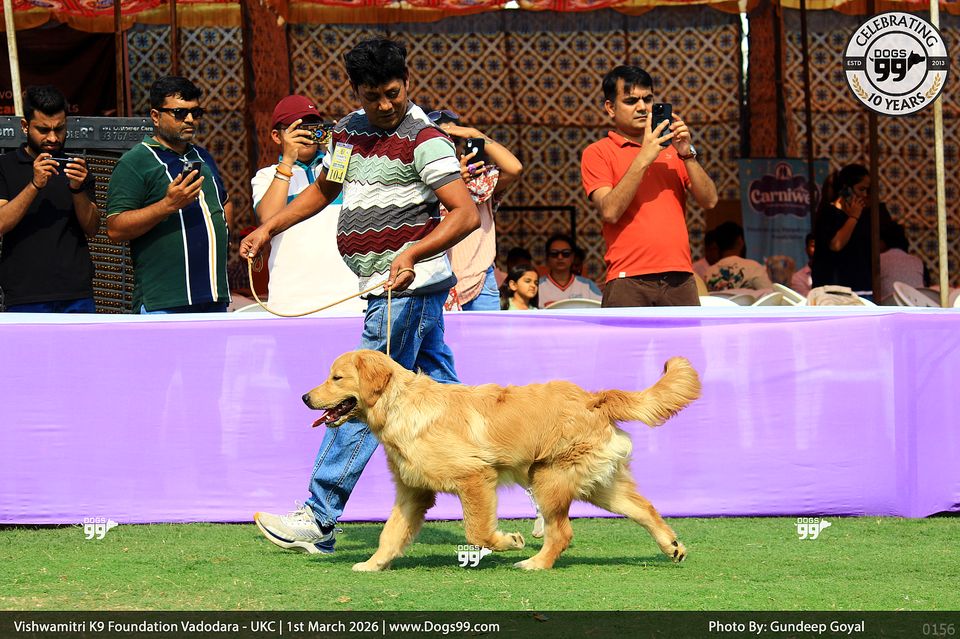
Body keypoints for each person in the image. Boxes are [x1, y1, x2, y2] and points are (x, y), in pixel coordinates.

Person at [240, 38, 480, 555]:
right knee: (454, 402)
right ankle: (518, 486)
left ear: (407, 82)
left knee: (362, 399)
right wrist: (269, 228)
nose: (386, 104)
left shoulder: (426, 139)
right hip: (393, 293)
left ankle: (319, 517)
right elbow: (326, 188)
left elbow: (465, 214)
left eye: (393, 93)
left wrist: (412, 253)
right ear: (356, 92)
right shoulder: (348, 132)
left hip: (404, 292)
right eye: (373, 96)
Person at [581, 65, 718, 307]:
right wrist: (645, 155)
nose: (642, 107)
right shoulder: (598, 152)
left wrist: (687, 154)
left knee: (687, 336)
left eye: (647, 99)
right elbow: (609, 211)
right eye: (631, 101)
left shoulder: (674, 149)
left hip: (680, 276)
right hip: (627, 278)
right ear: (610, 108)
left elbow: (710, 201)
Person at [106, 76, 233, 314]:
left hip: (212, 296)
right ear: (155, 116)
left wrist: (222, 235)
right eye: (179, 113)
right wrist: (167, 205)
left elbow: (224, 202)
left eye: (196, 113)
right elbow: (115, 228)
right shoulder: (135, 161)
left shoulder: (202, 156)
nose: (190, 120)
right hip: (163, 301)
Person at [250, 95, 361, 314]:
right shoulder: (267, 176)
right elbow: (269, 219)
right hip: (291, 299)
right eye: (297, 128)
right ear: (277, 136)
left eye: (313, 127)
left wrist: (339, 146)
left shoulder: (336, 169)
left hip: (349, 297)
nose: (306, 134)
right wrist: (287, 160)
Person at [0, 85, 99, 312]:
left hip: (77, 293)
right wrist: (34, 185)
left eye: (59, 129)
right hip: (24, 294)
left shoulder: (76, 168)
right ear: (25, 126)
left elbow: (93, 228)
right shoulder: (5, 166)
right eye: (43, 130)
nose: (53, 138)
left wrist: (77, 190)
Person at [431, 110, 523, 311]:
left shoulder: (480, 179)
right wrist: (454, 182)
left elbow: (514, 168)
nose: (449, 145)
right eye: (442, 140)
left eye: (455, 140)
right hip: (438, 282)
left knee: (486, 334)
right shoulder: (422, 181)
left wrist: (475, 133)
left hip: (480, 282)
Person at [811, 163, 890, 299]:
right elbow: (836, 244)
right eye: (861, 189)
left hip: (863, 289)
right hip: (835, 292)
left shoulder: (866, 215)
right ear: (846, 189)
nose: (864, 195)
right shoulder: (829, 213)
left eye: (867, 190)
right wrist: (853, 217)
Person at [703, 221, 773, 291]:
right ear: (740, 241)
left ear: (717, 245)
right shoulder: (753, 268)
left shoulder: (708, 273)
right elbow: (769, 294)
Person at [537, 233, 601, 307]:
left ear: (573, 257)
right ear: (547, 258)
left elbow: (603, 308)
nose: (560, 257)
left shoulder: (587, 286)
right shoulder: (538, 286)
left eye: (565, 253)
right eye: (554, 254)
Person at [878, 221, 924, 305]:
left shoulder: (878, 260)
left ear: (883, 241)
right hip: (916, 306)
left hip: (889, 307)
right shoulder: (917, 261)